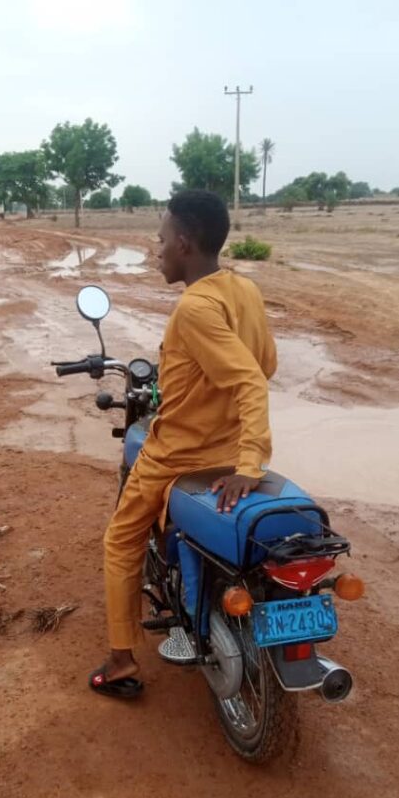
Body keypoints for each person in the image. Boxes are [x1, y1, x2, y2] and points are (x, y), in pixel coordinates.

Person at [88, 189, 277, 698]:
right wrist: (242, 448)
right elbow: (266, 366)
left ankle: (121, 660)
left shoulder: (194, 308)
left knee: (120, 540)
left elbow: (249, 380)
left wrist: (252, 463)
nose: (158, 250)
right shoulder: (244, 291)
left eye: (162, 240)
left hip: (179, 456)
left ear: (186, 244)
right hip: (230, 448)